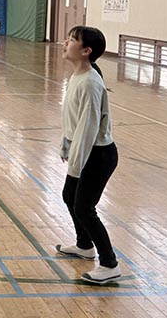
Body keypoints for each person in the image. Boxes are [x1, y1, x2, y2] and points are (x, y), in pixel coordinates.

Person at [55, 25, 121, 284]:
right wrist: (65, 143)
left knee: (84, 207)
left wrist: (75, 164)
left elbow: (88, 129)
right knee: (69, 196)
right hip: (84, 151)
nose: (66, 42)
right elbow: (72, 119)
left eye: (72, 40)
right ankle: (84, 245)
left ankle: (109, 263)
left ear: (86, 51)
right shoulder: (76, 77)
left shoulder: (92, 83)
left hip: (98, 155)